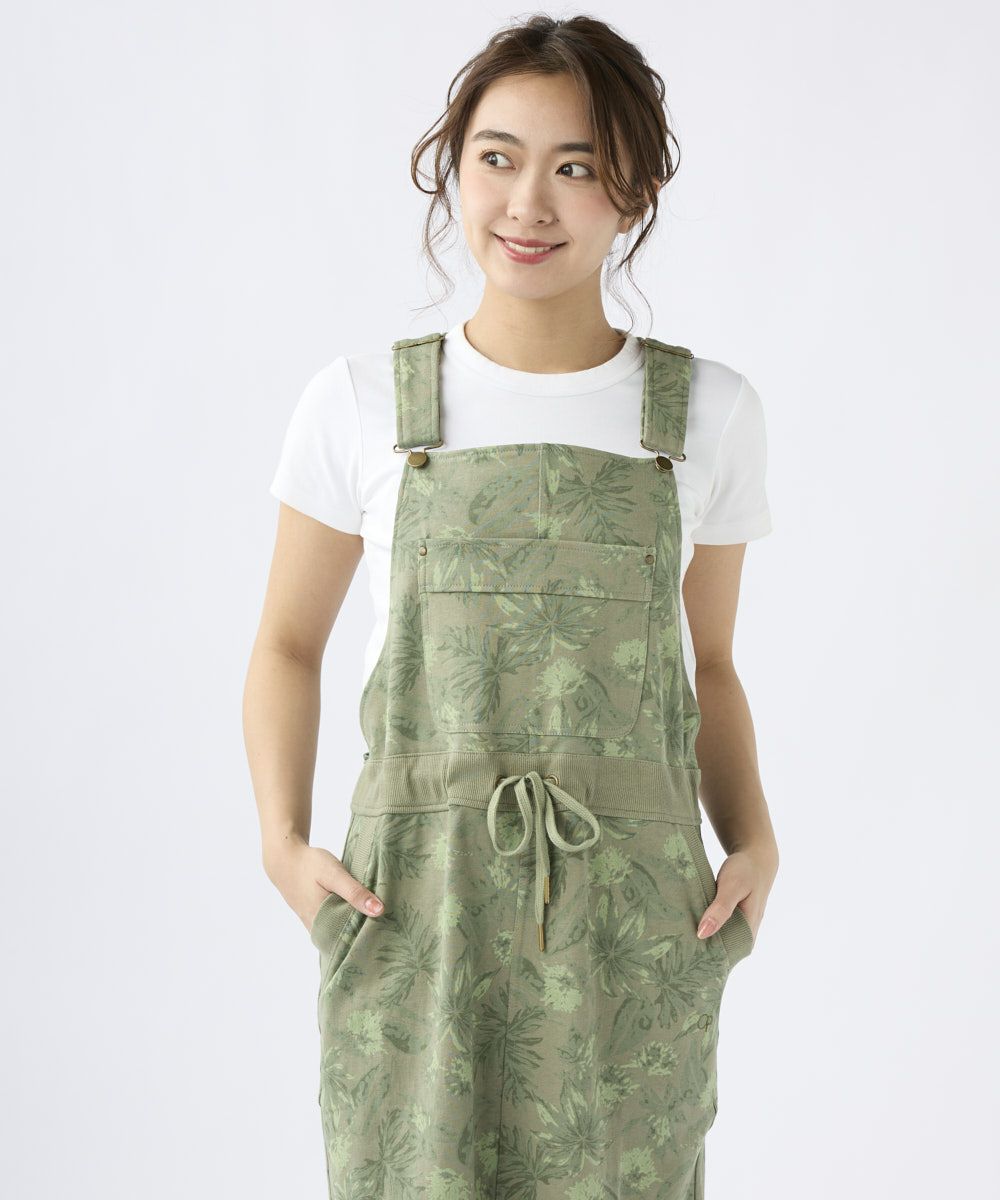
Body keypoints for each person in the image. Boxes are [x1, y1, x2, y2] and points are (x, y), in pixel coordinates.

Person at [244, 14, 779, 1198]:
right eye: (497, 157)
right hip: (414, 899)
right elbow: (285, 643)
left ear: (633, 192)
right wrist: (282, 844)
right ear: (454, 168)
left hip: (632, 914)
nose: (529, 203)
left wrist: (753, 840)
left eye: (575, 166)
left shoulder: (706, 416)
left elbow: (710, 666)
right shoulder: (362, 405)